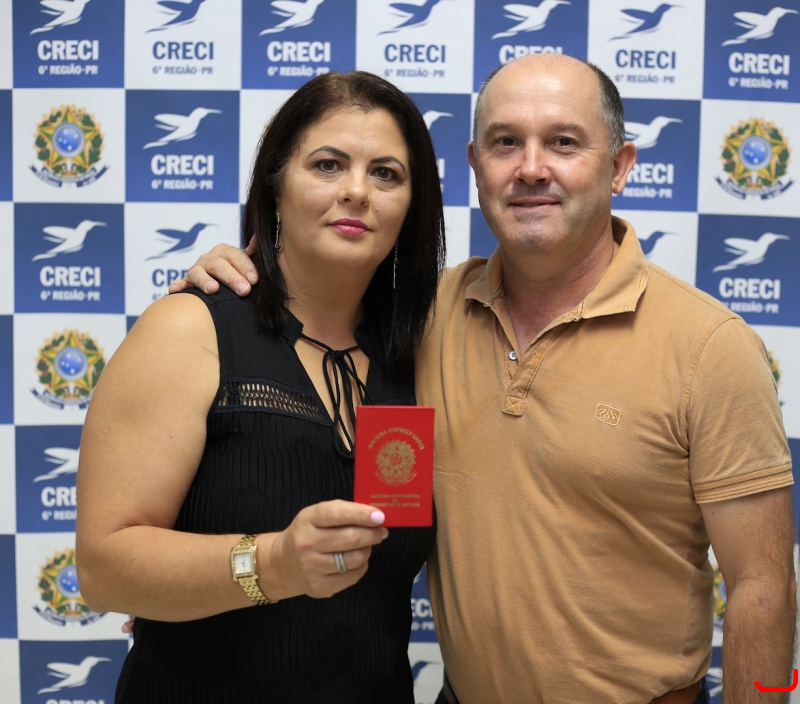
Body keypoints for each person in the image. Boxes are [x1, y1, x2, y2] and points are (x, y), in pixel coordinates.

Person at [171, 54, 796, 704]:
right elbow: (302, 342)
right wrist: (232, 278)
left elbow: (764, 588)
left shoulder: (709, 347)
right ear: (475, 166)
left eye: (563, 142)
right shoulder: (423, 316)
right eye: (505, 143)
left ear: (619, 166)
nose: (531, 168)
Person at [75, 71, 446, 703]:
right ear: (275, 185)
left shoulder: (425, 356)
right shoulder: (191, 328)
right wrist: (272, 564)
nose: (357, 191)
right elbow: (103, 570)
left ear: (412, 206)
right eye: (327, 165)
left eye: (386, 174)